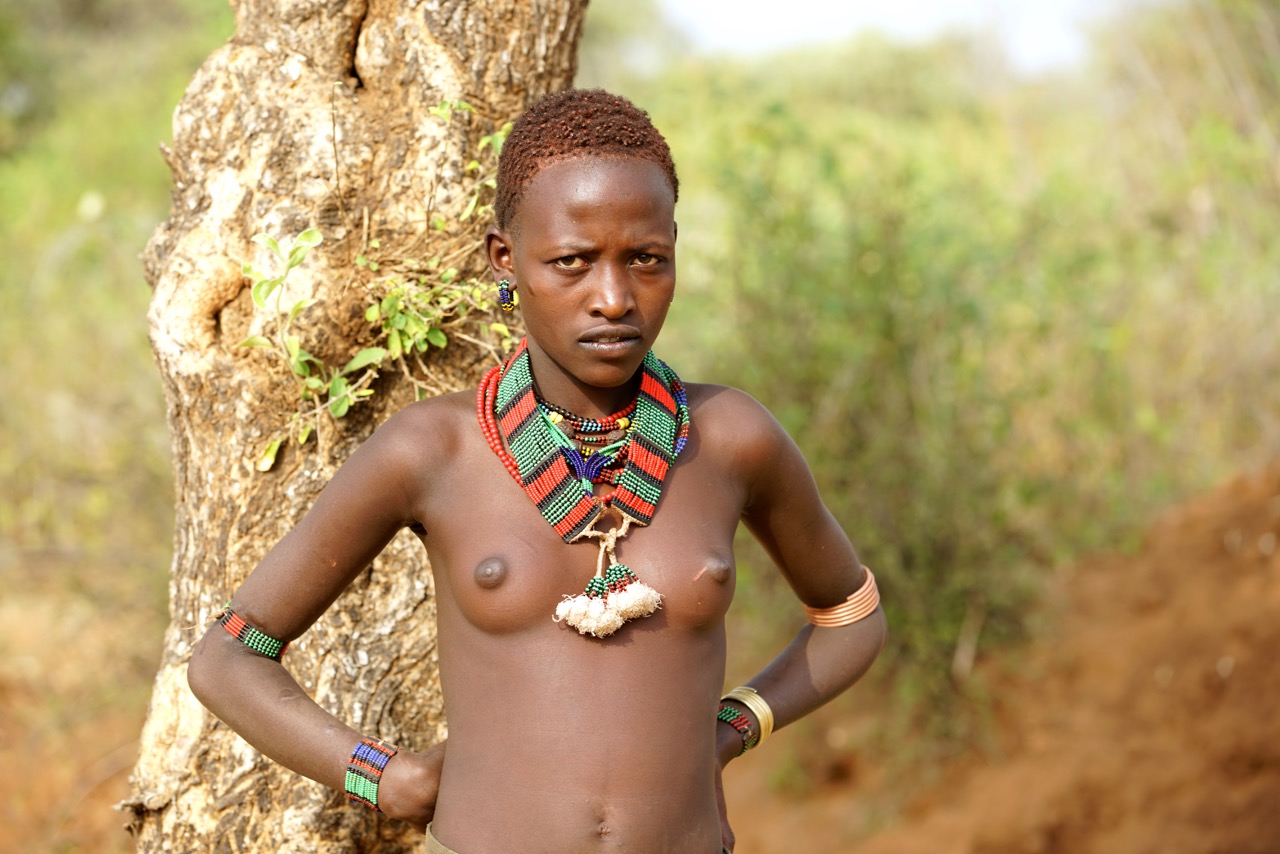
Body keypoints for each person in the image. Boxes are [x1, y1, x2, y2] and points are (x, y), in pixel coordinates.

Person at [187, 88, 887, 854]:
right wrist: (384, 778)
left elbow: (851, 618)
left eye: (646, 260)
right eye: (571, 263)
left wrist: (728, 729)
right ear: (506, 259)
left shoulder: (728, 437)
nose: (613, 299)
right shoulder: (434, 449)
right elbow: (230, 657)